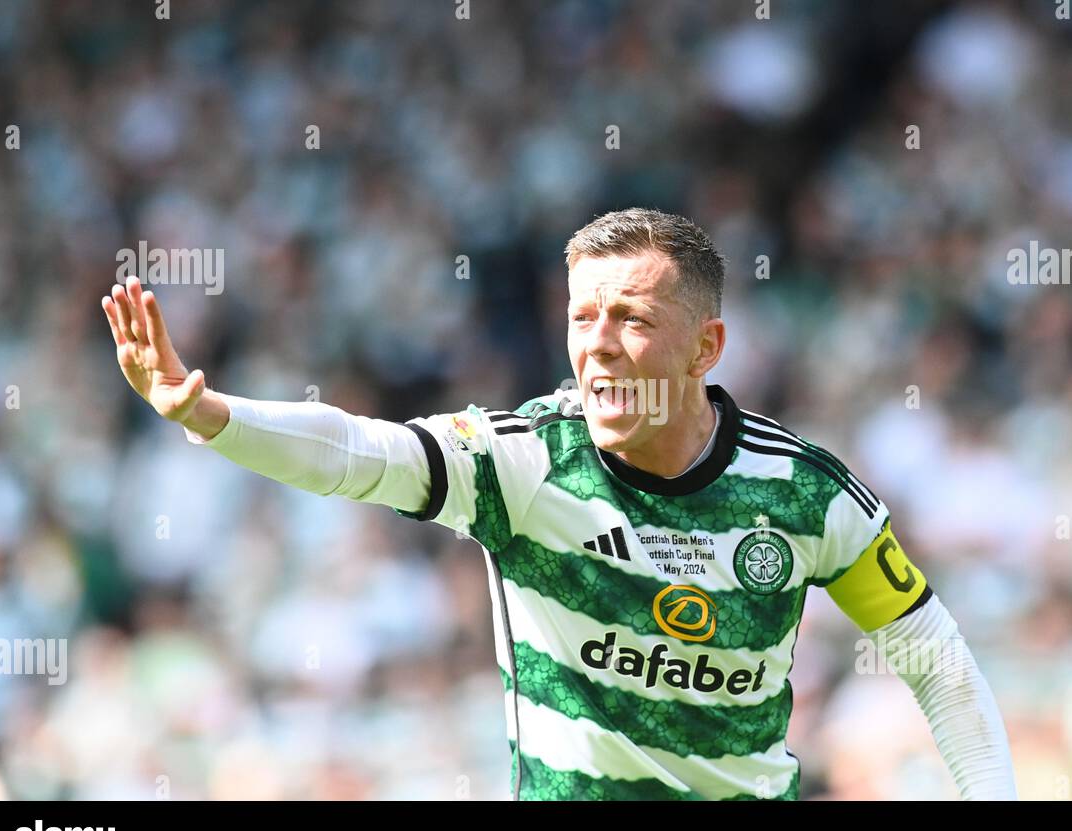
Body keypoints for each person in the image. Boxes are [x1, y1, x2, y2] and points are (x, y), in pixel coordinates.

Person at [101, 207, 1017, 801]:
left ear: (706, 348)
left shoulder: (804, 493)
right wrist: (208, 412)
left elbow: (932, 657)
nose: (601, 346)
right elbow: (358, 452)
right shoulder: (525, 461)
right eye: (583, 318)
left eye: (633, 320)